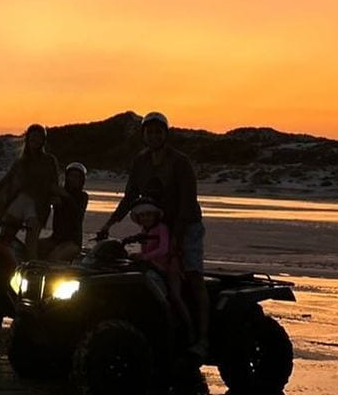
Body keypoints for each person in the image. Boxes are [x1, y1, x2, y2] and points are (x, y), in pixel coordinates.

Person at [98, 111, 209, 356]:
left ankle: (202, 338)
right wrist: (109, 224)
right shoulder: (140, 162)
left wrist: (177, 241)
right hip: (156, 227)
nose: (154, 135)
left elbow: (187, 203)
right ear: (143, 135)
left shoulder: (180, 162)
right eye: (150, 131)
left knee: (192, 276)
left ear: (165, 134)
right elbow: (129, 198)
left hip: (186, 225)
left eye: (159, 131)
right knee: (148, 273)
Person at [0, 124, 62, 260]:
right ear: (28, 139)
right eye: (33, 137)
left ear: (43, 141)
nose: (35, 141)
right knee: (4, 238)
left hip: (38, 206)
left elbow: (55, 183)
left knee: (31, 246)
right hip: (20, 202)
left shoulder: (49, 160)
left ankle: (32, 275)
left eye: (39, 138)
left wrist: (57, 197)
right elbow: (4, 182)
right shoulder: (21, 162)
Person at [127, 196, 193, 345]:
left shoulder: (161, 228)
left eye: (148, 214)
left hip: (169, 267)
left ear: (155, 214)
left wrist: (144, 257)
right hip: (153, 267)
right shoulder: (144, 231)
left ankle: (190, 330)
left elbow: (163, 249)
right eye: (142, 215)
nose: (145, 218)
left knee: (175, 296)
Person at [38, 162, 89, 262]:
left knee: (54, 258)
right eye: (71, 176)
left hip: (72, 242)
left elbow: (77, 212)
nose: (73, 179)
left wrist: (64, 196)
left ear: (82, 180)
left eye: (77, 177)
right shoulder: (58, 195)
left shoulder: (83, 196)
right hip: (55, 238)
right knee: (31, 249)